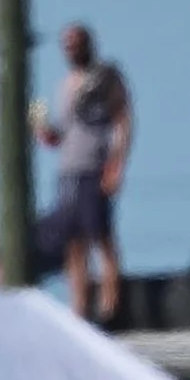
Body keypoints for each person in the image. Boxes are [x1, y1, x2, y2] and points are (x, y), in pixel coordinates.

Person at [34, 22, 133, 323]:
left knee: (101, 236)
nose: (72, 50)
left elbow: (123, 120)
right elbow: (60, 134)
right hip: (69, 169)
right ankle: (78, 306)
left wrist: (116, 164)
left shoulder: (105, 77)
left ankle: (110, 304)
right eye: (67, 45)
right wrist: (42, 129)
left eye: (76, 43)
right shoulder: (65, 86)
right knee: (73, 241)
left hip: (95, 167)